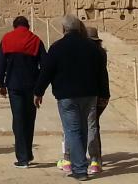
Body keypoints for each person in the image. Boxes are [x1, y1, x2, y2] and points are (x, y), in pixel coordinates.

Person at [34, 15, 110, 181]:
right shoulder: (93, 48)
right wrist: (105, 94)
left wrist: (38, 91)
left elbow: (46, 71)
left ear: (64, 29)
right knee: (84, 129)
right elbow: (102, 73)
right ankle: (84, 162)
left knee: (73, 131)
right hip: (90, 94)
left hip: (67, 96)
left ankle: (80, 168)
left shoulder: (57, 47)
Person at [0, 16, 46, 168]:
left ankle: (23, 158)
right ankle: (28, 153)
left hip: (14, 86)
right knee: (29, 120)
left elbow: (0, 65)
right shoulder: (36, 40)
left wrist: (1, 83)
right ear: (28, 26)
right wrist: (40, 89)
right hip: (32, 86)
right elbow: (45, 65)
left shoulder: (7, 39)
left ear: (14, 26)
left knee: (18, 120)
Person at [84, 27, 110, 176]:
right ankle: (96, 157)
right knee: (94, 124)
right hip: (104, 94)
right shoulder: (101, 53)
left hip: (93, 94)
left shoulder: (90, 55)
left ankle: (95, 158)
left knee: (90, 125)